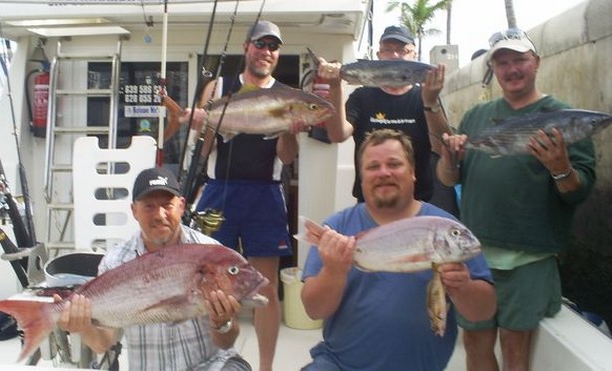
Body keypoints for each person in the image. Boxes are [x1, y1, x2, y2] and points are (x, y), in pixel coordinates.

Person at [436, 28, 596, 371]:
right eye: (502, 62)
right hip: (474, 253)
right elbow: (449, 178)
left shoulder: (564, 117)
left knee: (514, 347)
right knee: (475, 343)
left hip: (530, 257)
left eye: (519, 59)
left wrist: (560, 168)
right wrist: (451, 156)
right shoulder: (478, 117)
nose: (512, 69)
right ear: (494, 68)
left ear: (536, 62)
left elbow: (579, 191)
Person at [301, 129, 496, 371]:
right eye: (373, 167)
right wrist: (333, 271)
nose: (384, 173)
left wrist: (463, 287)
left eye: (394, 164)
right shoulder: (337, 228)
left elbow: (484, 312)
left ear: (413, 172)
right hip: (339, 365)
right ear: (361, 176)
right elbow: (313, 309)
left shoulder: (446, 229)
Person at [186, 20, 309, 371]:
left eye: (273, 46)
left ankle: (266, 367)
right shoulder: (218, 87)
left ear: (278, 53)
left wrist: (290, 129)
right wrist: (208, 123)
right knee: (206, 283)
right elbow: (204, 148)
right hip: (218, 191)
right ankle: (208, 359)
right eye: (260, 44)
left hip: (265, 195)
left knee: (266, 289)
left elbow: (286, 158)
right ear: (246, 48)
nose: (266, 52)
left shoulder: (286, 95)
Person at [58, 167, 252, 371]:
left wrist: (223, 323)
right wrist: (84, 327)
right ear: (134, 211)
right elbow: (102, 343)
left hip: (211, 365)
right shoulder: (115, 261)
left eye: (167, 205)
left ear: (181, 206)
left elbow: (226, 342)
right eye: (149, 206)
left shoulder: (212, 254)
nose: (159, 215)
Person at [316, 25, 452, 204]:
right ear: (379, 56)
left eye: (402, 50)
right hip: (370, 202)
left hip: (416, 202)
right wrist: (335, 87)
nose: (395, 55)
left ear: (414, 54)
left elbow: (441, 146)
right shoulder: (361, 96)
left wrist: (431, 101)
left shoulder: (425, 97)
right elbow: (337, 135)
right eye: (388, 50)